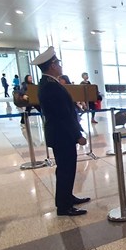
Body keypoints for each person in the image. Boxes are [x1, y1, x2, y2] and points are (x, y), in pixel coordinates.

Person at [31, 47, 90, 216]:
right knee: (65, 169)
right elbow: (62, 116)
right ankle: (64, 207)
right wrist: (78, 135)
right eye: (57, 62)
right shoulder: (50, 87)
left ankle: (66, 198)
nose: (60, 65)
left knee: (66, 169)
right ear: (51, 66)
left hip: (60, 134)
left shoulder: (49, 84)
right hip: (62, 135)